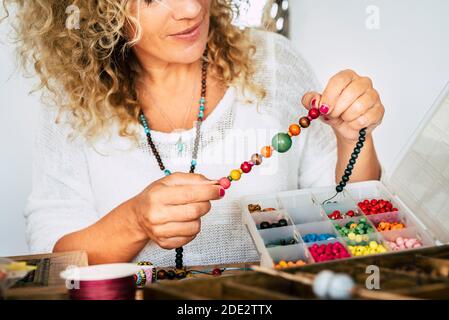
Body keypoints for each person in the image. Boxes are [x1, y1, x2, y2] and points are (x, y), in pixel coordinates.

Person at [8, 0, 383, 266]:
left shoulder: (273, 61)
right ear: (98, 11)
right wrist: (134, 222)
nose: (190, 9)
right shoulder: (72, 101)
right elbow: (53, 261)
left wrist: (353, 140)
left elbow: (349, 221)